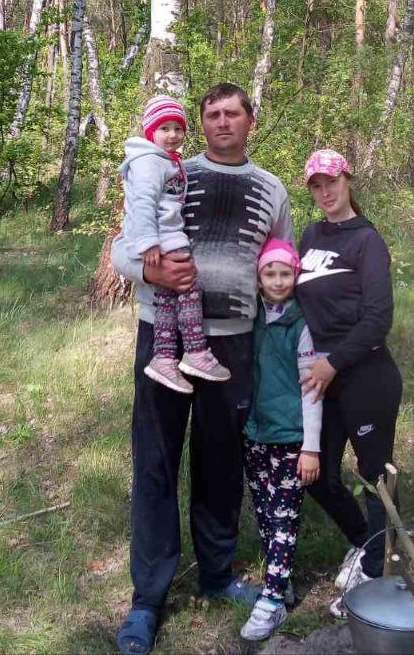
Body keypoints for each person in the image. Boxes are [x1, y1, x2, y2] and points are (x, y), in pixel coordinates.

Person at [111, 84, 293, 655]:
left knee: (220, 464)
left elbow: (279, 270)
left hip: (233, 347)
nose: (220, 123)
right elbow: (122, 247)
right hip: (162, 343)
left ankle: (215, 573)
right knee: (157, 464)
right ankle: (147, 599)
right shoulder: (168, 169)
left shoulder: (272, 190)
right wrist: (153, 275)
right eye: (211, 115)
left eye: (231, 114)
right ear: (200, 124)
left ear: (250, 121)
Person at [294, 148, 401, 617]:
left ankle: (376, 574)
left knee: (374, 475)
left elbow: (379, 318)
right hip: (321, 375)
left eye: (331, 182)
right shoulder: (310, 235)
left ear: (348, 180)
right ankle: (366, 542)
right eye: (315, 185)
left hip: (365, 374)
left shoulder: (367, 241)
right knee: (316, 473)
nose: (325, 192)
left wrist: (333, 363)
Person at [116, 95, 231, 393]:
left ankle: (164, 358)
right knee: (189, 286)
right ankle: (195, 351)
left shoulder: (167, 161)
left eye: (177, 128)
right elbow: (141, 203)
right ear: (150, 131)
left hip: (166, 234)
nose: (172, 135)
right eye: (164, 128)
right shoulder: (148, 162)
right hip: (163, 238)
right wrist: (148, 243)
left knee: (167, 298)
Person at [239, 238, 322, 642]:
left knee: (284, 517)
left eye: (284, 273)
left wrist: (311, 446)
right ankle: (281, 578)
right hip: (255, 433)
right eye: (269, 273)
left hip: (290, 437)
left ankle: (271, 600)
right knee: (265, 513)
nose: (276, 280)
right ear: (258, 278)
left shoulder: (302, 325)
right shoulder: (251, 317)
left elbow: (312, 390)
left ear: (295, 276)